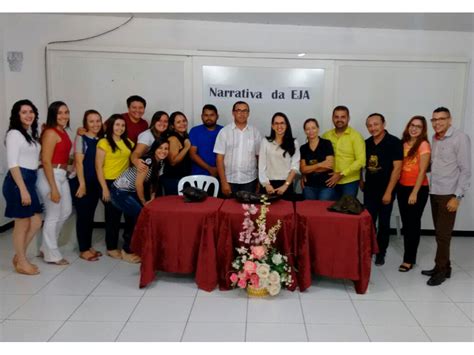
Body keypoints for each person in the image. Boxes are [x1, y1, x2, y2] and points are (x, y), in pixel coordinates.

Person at [422, 107, 471, 286]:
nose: (437, 123)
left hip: (449, 194)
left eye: (441, 119)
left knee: (443, 235)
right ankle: (444, 267)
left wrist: (457, 197)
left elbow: (466, 170)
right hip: (435, 191)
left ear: (450, 120)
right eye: (434, 119)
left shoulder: (460, 138)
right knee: (439, 233)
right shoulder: (435, 139)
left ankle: (440, 271)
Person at [2, 99, 42, 275]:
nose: (28, 115)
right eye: (24, 112)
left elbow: (31, 160)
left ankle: (20, 257)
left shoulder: (29, 134)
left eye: (31, 111)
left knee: (36, 221)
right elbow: (13, 164)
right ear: (17, 115)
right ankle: (22, 261)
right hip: (18, 182)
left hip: (30, 179)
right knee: (22, 223)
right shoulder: (14, 134)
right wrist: (23, 189)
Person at [110, 138, 169, 254]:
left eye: (166, 148)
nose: (163, 151)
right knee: (139, 215)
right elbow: (138, 184)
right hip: (120, 191)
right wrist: (143, 201)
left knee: (139, 216)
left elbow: (154, 180)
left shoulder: (161, 162)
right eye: (160, 148)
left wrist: (152, 197)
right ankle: (127, 250)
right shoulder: (148, 160)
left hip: (130, 191)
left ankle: (137, 246)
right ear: (154, 149)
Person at [362, 113, 403, 267]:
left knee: (384, 223)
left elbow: (397, 169)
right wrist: (361, 180)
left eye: (376, 124)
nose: (373, 128)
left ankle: (381, 252)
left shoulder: (394, 142)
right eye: (369, 125)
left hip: (387, 189)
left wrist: (388, 192)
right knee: (369, 221)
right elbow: (361, 164)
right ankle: (369, 249)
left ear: (384, 124)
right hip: (370, 190)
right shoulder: (366, 143)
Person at [95, 114, 136, 262]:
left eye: (123, 125)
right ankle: (111, 248)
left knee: (129, 215)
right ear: (111, 126)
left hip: (125, 183)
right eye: (117, 125)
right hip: (108, 182)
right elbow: (98, 167)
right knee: (113, 216)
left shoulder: (129, 143)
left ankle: (128, 245)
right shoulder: (104, 142)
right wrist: (105, 188)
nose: (120, 128)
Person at [36, 101, 73, 265]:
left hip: (62, 174)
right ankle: (52, 255)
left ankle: (46, 247)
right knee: (53, 215)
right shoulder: (50, 132)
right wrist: (53, 188)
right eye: (60, 113)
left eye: (66, 112)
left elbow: (63, 154)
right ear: (53, 115)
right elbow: (45, 160)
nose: (64, 116)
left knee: (66, 211)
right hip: (48, 174)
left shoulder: (63, 131)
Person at [396, 116, 431, 272]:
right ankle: (409, 255)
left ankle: (409, 260)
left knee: (412, 224)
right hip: (402, 188)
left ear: (423, 130)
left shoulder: (423, 145)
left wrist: (414, 193)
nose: (414, 128)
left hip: (417, 190)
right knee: (406, 223)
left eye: (418, 126)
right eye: (412, 125)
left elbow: (423, 171)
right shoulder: (403, 143)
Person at [69, 110, 104, 262]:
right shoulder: (81, 138)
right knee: (83, 216)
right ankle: (83, 249)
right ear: (85, 124)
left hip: (95, 183)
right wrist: (82, 184)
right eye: (91, 121)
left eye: (98, 121)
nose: (95, 124)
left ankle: (88, 246)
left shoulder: (100, 139)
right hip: (82, 182)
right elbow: (78, 162)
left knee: (90, 216)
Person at [214, 101, 262, 197]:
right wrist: (223, 183)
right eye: (238, 110)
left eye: (245, 111)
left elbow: (259, 158)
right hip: (229, 181)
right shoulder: (224, 132)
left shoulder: (255, 132)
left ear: (248, 113)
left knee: (248, 210)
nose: (242, 114)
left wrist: (259, 181)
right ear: (233, 113)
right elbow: (219, 159)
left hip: (250, 181)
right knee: (228, 210)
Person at [322, 105, 365, 199]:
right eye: (336, 117)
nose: (339, 119)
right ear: (332, 118)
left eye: (343, 117)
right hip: (330, 179)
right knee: (327, 209)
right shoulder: (326, 136)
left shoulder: (356, 136)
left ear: (348, 118)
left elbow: (361, 161)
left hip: (349, 181)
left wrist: (341, 174)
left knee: (346, 210)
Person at [258, 112, 300, 200]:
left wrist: (285, 185)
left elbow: (295, 167)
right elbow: (261, 166)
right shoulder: (265, 142)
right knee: (266, 213)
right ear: (272, 126)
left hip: (286, 185)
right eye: (276, 123)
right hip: (268, 186)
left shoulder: (294, 143)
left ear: (286, 125)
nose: (279, 126)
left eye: (282, 123)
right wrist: (266, 184)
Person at [299, 118, 335, 200]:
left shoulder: (326, 143)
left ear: (318, 129)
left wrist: (309, 169)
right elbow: (303, 169)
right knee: (310, 210)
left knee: (322, 209)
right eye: (307, 129)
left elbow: (329, 165)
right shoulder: (303, 148)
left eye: (313, 128)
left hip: (326, 185)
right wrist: (320, 164)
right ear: (305, 131)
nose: (311, 131)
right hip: (309, 186)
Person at [161, 111, 192, 195]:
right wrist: (186, 147)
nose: (182, 123)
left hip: (183, 178)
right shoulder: (173, 139)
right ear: (172, 126)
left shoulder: (185, 136)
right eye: (178, 122)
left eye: (184, 121)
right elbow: (173, 161)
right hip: (173, 179)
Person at [189, 104, 223, 177]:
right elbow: (192, 154)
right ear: (202, 117)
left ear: (217, 116)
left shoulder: (223, 131)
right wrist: (210, 169)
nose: (209, 118)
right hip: (198, 175)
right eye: (206, 115)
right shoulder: (195, 131)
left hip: (220, 174)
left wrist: (218, 170)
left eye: (212, 115)